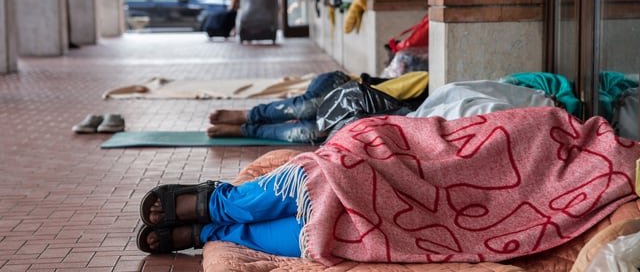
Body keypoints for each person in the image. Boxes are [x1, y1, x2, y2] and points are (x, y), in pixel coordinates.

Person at [137, 105, 640, 265]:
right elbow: (479, 136)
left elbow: (539, 207)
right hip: (398, 158)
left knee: (322, 236)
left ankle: (209, 230)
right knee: (333, 169)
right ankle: (219, 202)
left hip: (414, 217)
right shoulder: (572, 128)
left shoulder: (617, 199)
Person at [206, 70, 429, 144]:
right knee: (307, 107)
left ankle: (246, 130)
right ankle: (247, 115)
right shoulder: (426, 82)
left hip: (348, 116)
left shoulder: (423, 118)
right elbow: (374, 96)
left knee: (310, 132)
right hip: (343, 86)